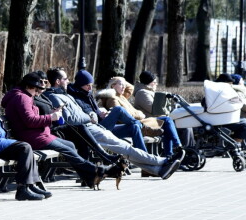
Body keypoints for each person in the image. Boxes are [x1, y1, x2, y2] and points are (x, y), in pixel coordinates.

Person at [46, 68, 183, 180]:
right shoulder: (55, 96)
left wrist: (91, 115)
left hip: (93, 127)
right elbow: (71, 119)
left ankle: (158, 170)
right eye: (65, 79)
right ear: (58, 81)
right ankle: (162, 161)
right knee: (125, 147)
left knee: (124, 148)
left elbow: (81, 113)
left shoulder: (66, 95)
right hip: (86, 131)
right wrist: (89, 116)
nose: (68, 81)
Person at [2, 72, 125, 188]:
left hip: (39, 134)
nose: (37, 92)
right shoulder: (22, 98)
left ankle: (89, 178)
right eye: (36, 88)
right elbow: (30, 121)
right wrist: (51, 117)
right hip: (33, 137)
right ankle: (96, 170)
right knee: (67, 148)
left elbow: (30, 119)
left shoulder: (23, 96)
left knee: (70, 145)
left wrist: (51, 115)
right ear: (29, 86)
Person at [98, 76, 184, 159]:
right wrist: (139, 114)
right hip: (133, 123)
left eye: (124, 85)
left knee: (166, 122)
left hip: (138, 121)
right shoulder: (113, 99)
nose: (124, 87)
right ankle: (174, 150)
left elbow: (131, 88)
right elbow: (120, 117)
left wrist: (121, 80)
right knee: (166, 121)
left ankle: (171, 153)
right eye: (120, 84)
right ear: (113, 85)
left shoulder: (122, 96)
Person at [67, 70, 150, 152]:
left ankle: (144, 157)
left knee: (134, 127)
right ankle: (141, 125)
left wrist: (100, 113)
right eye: (87, 85)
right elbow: (84, 116)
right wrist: (97, 115)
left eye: (91, 85)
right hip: (95, 130)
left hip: (102, 125)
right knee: (118, 110)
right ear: (80, 84)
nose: (90, 88)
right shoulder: (75, 97)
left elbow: (94, 111)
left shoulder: (87, 94)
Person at [132, 70, 195, 148]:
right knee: (185, 127)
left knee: (186, 125)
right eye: (155, 82)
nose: (156, 84)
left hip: (159, 120)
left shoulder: (148, 92)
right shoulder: (142, 93)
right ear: (149, 83)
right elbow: (154, 110)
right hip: (152, 122)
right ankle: (185, 150)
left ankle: (190, 150)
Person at [214, 74, 246, 145]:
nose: (231, 85)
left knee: (244, 122)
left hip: (223, 119)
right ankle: (234, 146)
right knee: (244, 124)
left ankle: (235, 145)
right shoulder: (222, 92)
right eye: (230, 83)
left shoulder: (217, 91)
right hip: (221, 121)